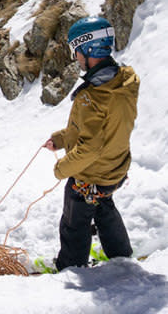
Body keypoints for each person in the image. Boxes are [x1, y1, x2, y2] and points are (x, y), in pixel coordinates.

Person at [43, 16, 139, 270]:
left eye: (76, 51)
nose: (75, 58)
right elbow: (101, 128)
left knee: (75, 220)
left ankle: (70, 266)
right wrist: (60, 139)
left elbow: (90, 147)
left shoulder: (91, 97)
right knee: (104, 206)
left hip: (91, 173)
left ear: (88, 49)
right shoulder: (124, 80)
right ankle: (120, 255)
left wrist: (61, 169)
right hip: (114, 167)